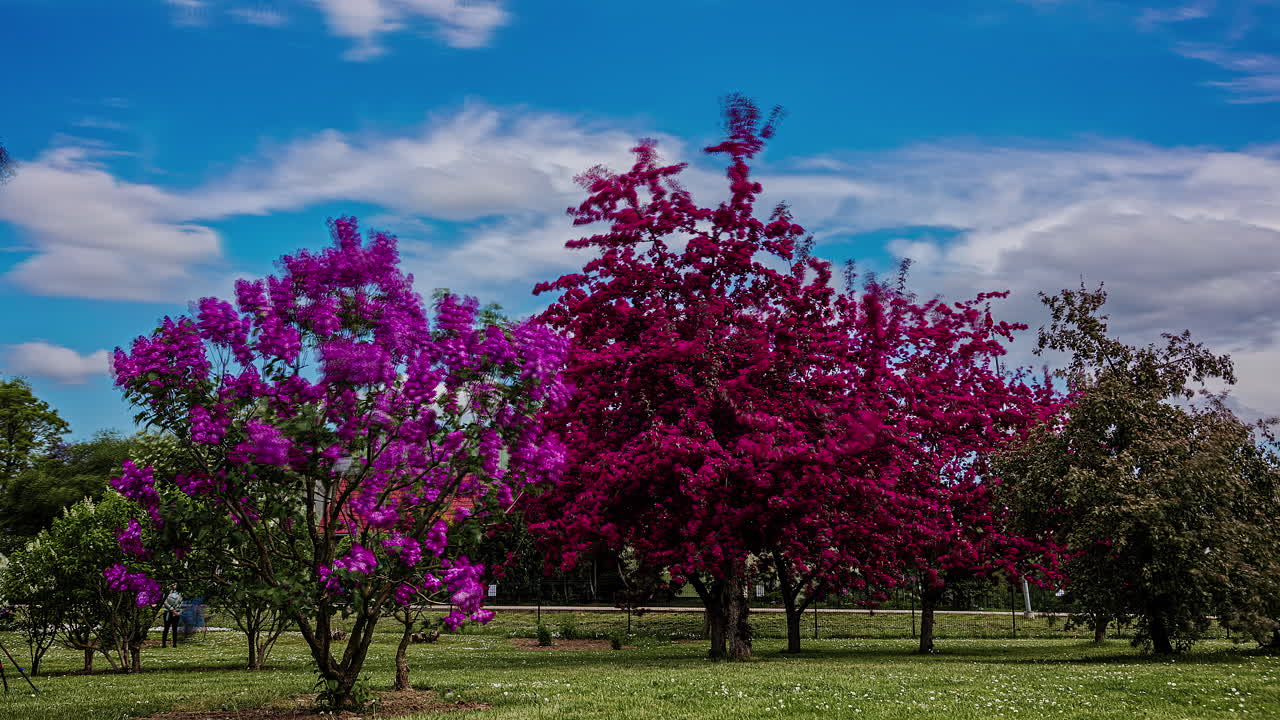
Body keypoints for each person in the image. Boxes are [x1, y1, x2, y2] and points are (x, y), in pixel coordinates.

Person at [161, 583, 183, 648]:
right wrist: (172, 609)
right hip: (168, 612)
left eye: (175, 584)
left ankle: (174, 644)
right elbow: (165, 602)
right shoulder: (167, 593)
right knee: (166, 628)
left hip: (176, 613)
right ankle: (164, 644)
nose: (173, 585)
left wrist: (178, 612)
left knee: (175, 629)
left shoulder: (180, 594)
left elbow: (181, 604)